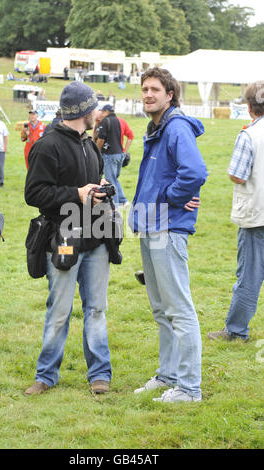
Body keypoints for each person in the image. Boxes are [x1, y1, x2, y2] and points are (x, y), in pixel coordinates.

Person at [24, 81, 112, 396]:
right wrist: (77, 193)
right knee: (59, 309)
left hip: (97, 238)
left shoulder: (89, 144)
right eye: (94, 107)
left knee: (97, 308)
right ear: (83, 111)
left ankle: (100, 374)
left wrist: (98, 188)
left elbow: (94, 180)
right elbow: (34, 194)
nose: (98, 112)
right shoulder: (47, 146)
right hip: (62, 238)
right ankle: (46, 375)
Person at [129, 67, 208, 403]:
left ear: (170, 94)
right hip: (151, 226)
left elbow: (195, 172)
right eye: (144, 89)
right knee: (161, 309)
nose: (148, 94)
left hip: (168, 226)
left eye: (155, 89)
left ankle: (189, 388)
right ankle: (168, 376)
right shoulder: (157, 128)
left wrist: (171, 198)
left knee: (178, 308)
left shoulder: (176, 127)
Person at [208, 81, 264, 342]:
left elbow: (237, 175)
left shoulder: (250, 135)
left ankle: (235, 330)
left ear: (250, 107)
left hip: (256, 215)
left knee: (249, 277)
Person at [96, 104, 125, 206]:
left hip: (110, 154)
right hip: (120, 153)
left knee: (110, 181)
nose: (102, 114)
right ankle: (123, 200)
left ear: (107, 111)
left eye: (103, 112)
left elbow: (101, 139)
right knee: (115, 179)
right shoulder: (117, 120)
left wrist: (96, 151)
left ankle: (115, 205)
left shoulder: (105, 121)